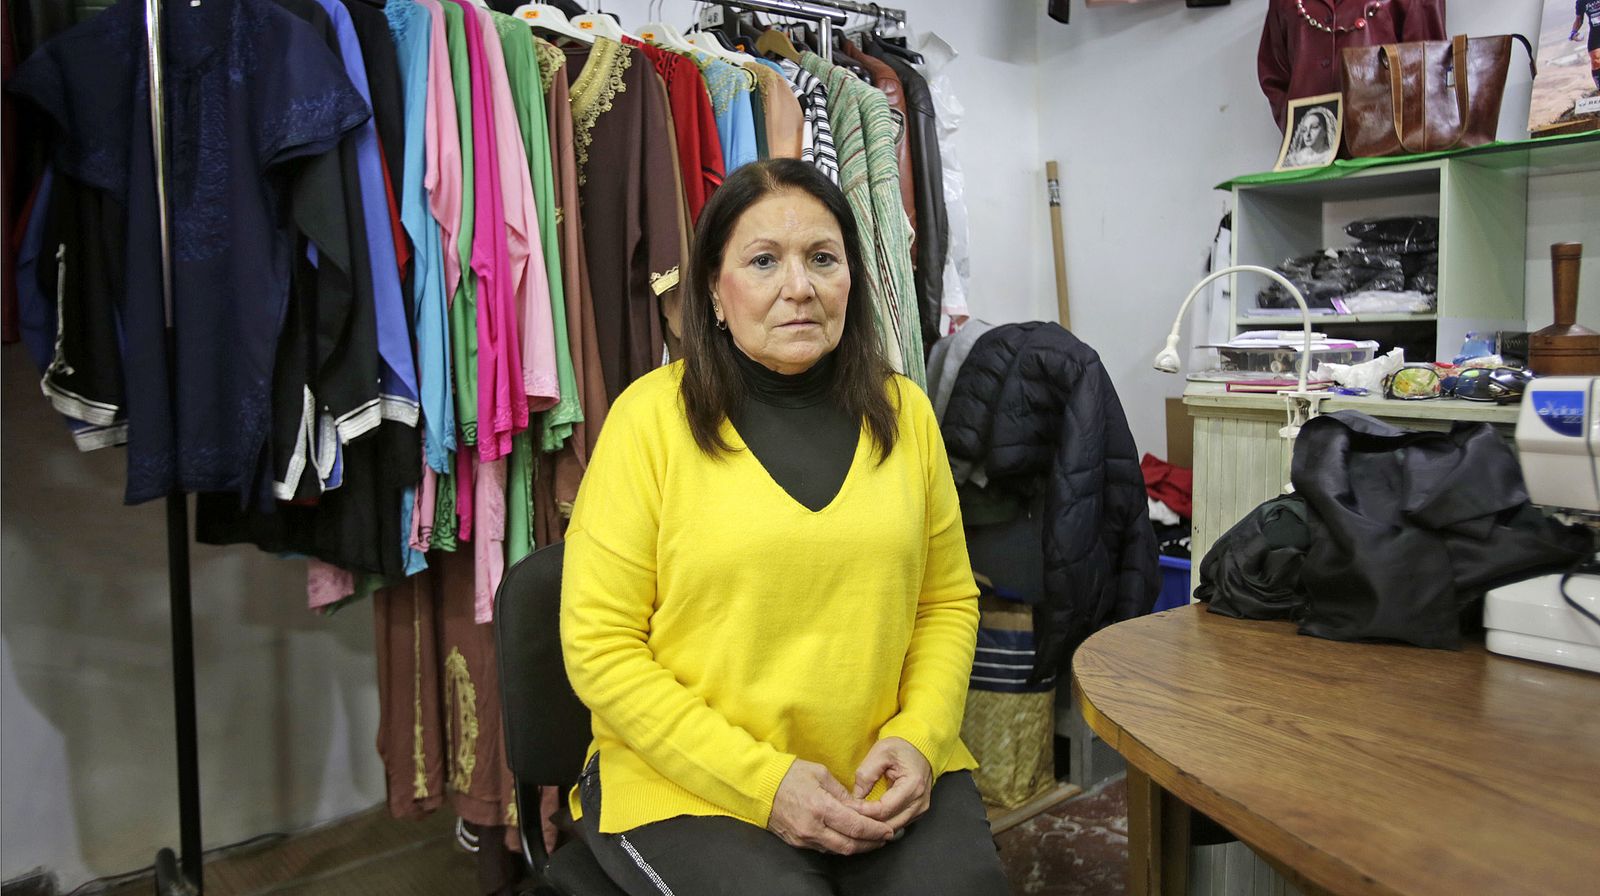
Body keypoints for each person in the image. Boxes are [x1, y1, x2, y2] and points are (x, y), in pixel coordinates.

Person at [559, 158, 1009, 896]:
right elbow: (599, 646)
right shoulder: (649, 421)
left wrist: (921, 736)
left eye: (822, 259)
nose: (798, 287)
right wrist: (766, 784)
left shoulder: (905, 414)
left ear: (851, 280)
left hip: (878, 769)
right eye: (764, 260)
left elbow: (947, 603)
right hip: (687, 779)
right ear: (712, 288)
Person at [1258, 0, 1446, 132]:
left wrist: (1403, 130)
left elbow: (1428, 64)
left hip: (1384, 142)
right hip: (1308, 151)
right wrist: (1294, 124)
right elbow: (1274, 73)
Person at [1574, 0, 1600, 91]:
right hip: (1596, 32)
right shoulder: (1581, 1)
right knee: (1595, 60)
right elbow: (1579, 19)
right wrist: (1574, 32)